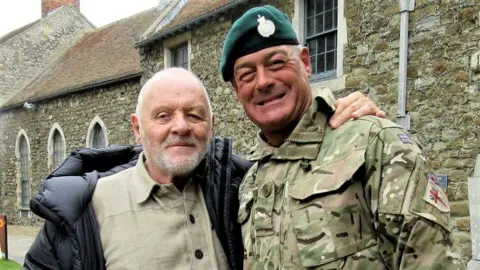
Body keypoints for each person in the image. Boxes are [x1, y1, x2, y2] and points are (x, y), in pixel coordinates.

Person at [24, 68, 384, 270]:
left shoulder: (244, 190)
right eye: (163, 116)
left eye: (193, 115)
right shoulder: (81, 213)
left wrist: (342, 119)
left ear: (211, 125)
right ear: (137, 127)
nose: (180, 126)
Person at [219, 5, 466, 270]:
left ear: (305, 62)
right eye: (247, 75)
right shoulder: (250, 183)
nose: (263, 81)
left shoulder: (375, 144)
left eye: (277, 63)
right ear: (236, 90)